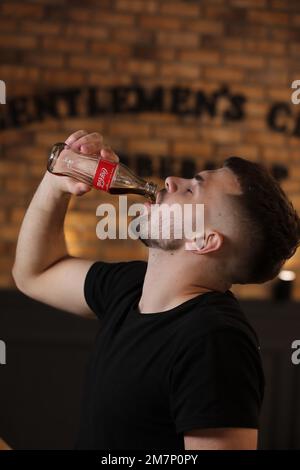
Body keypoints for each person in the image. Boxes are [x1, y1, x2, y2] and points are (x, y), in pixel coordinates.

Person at [12, 130, 300, 450]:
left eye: (191, 190)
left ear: (204, 240)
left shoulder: (215, 341)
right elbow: (35, 274)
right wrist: (58, 182)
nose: (170, 180)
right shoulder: (132, 286)